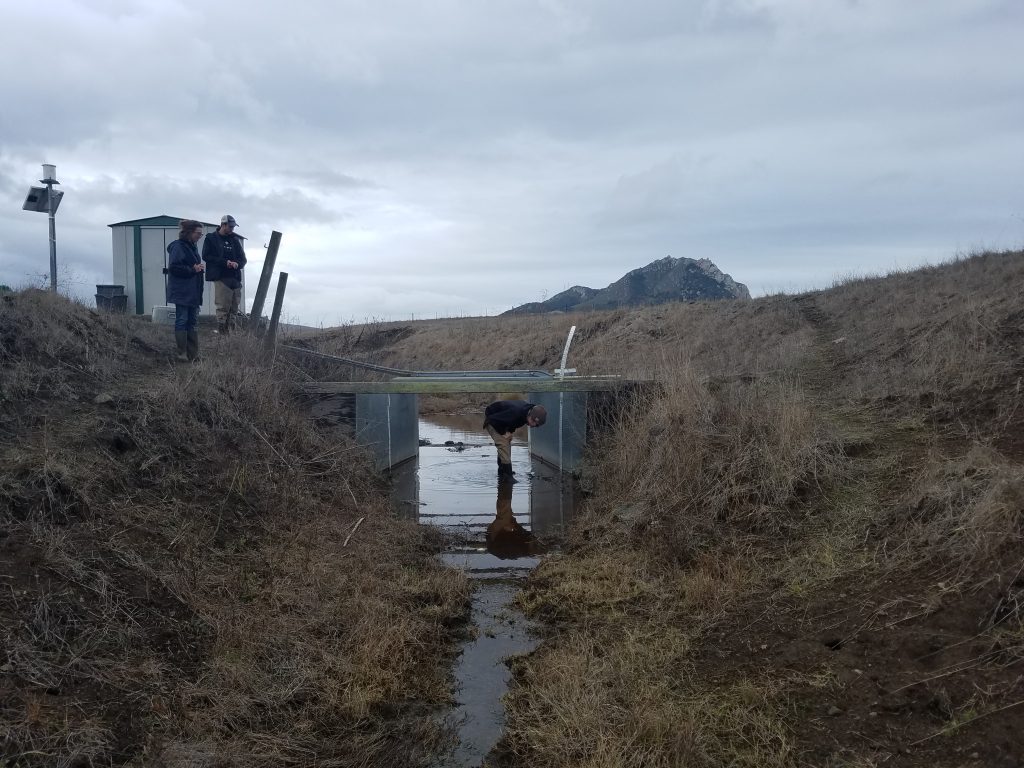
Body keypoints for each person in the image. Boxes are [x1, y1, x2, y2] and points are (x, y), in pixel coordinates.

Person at [165, 220, 205, 362]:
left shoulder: (192, 247)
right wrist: (193, 269)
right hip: (182, 291)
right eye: (198, 233)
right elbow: (174, 268)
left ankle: (193, 354)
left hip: (192, 291)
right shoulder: (178, 247)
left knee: (192, 321)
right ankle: (181, 353)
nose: (200, 236)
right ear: (189, 232)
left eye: (201, 234)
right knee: (182, 320)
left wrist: (197, 269)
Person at [202, 214, 247, 334]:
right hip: (221, 277)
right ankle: (222, 334)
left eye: (233, 227)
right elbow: (206, 256)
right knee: (222, 307)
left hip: (235, 278)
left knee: (234, 308)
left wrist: (237, 264)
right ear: (223, 225)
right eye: (230, 226)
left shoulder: (234, 240)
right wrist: (224, 262)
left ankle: (231, 334)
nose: (232, 229)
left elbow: (243, 259)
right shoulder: (211, 238)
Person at [482, 400, 547, 479]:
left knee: (507, 442)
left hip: (501, 419)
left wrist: (509, 432)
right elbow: (493, 420)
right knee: (503, 444)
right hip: (492, 419)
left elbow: (513, 423)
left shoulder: (527, 412)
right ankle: (508, 477)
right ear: (530, 415)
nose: (533, 426)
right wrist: (504, 432)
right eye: (534, 423)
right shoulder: (516, 413)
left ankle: (502, 471)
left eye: (536, 425)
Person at [485, 476, 536, 559]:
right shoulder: (523, 546)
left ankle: (505, 485)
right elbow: (522, 533)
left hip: (495, 541)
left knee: (504, 514)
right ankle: (505, 485)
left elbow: (520, 532)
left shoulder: (521, 547)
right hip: (497, 541)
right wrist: (515, 524)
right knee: (504, 514)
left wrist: (514, 524)